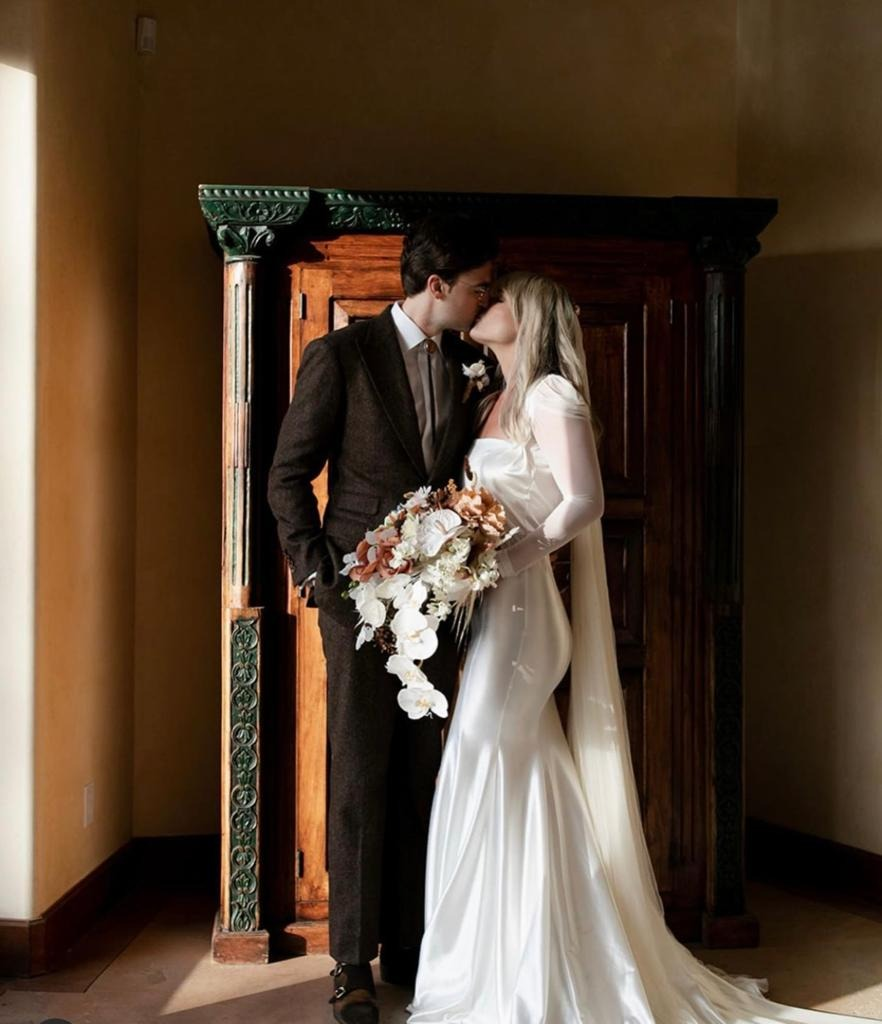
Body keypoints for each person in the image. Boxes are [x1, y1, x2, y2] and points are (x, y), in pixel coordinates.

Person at [407, 272, 880, 1024]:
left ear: (525, 315)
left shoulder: (550, 395)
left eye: (498, 297)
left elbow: (585, 499)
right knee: (507, 765)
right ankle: (513, 952)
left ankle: (529, 966)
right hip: (496, 610)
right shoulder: (491, 395)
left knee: (487, 754)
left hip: (528, 616)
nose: (485, 304)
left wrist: (509, 556)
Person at [267, 212, 497, 1024]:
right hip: (359, 608)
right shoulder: (342, 356)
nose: (486, 300)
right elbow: (287, 476)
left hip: (437, 601)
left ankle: (408, 940)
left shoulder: (469, 365)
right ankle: (351, 964)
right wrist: (316, 575)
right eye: (477, 287)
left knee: (419, 773)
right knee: (361, 772)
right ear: (436, 286)